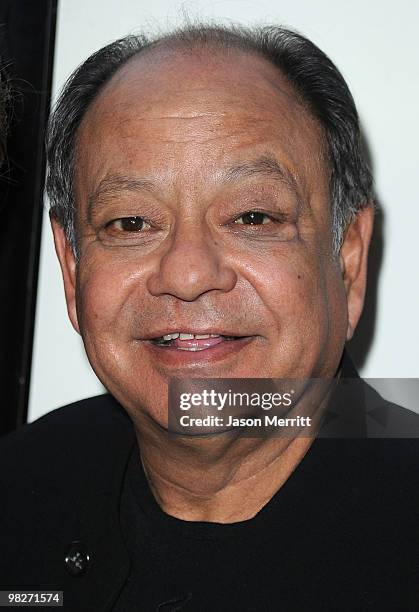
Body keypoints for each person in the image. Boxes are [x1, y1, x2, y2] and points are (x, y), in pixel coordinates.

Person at [1, 24, 418, 611]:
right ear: (71, 271)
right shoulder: (20, 488)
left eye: (252, 217)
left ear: (347, 261)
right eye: (131, 223)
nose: (188, 274)